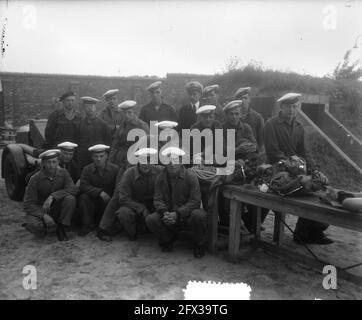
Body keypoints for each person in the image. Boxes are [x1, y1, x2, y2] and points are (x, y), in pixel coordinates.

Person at [264, 93, 332, 244]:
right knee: (305, 185)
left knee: (321, 187)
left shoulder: (299, 127)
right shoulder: (271, 124)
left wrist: (314, 170)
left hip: (298, 170)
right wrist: (292, 163)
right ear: (281, 107)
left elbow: (306, 152)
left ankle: (307, 231)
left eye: (295, 106)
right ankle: (304, 232)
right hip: (279, 171)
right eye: (289, 106)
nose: (292, 110)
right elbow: (273, 153)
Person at [146, 147, 207, 258]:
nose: (172, 164)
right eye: (169, 161)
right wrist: (164, 213)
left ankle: (199, 244)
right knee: (151, 219)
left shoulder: (191, 176)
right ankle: (168, 239)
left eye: (176, 161)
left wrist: (178, 214)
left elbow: (195, 201)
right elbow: (157, 199)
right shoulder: (160, 178)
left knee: (199, 215)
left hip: (186, 216)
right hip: (168, 215)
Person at [23, 149, 78, 241]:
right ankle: (46, 225)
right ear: (43, 163)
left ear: (58, 162)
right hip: (41, 208)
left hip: (57, 207)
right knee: (37, 228)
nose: (51, 165)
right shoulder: (35, 179)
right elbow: (28, 204)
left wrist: (53, 196)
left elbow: (73, 189)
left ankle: (61, 227)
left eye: (54, 162)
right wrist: (44, 215)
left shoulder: (63, 173)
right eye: (48, 162)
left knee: (70, 199)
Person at [115, 148, 162, 241]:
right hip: (134, 204)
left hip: (153, 204)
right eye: (143, 160)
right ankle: (132, 233)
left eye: (148, 160)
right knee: (123, 213)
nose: (145, 164)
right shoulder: (129, 174)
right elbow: (123, 198)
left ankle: (156, 232)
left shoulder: (160, 171)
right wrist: (141, 208)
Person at [78, 144, 119, 236]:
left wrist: (110, 197)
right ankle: (88, 225)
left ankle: (110, 225)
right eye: (96, 156)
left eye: (101, 156)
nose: (99, 159)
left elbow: (118, 187)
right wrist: (99, 192)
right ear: (92, 157)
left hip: (108, 201)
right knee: (83, 197)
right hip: (93, 201)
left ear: (106, 156)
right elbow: (83, 186)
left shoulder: (115, 169)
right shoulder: (87, 169)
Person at [109, 100, 149, 169]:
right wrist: (110, 162)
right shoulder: (122, 126)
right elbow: (115, 146)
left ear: (134, 112)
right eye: (124, 113)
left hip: (135, 162)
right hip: (120, 161)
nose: (126, 115)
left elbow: (147, 147)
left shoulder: (142, 126)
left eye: (129, 112)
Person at [77, 96, 112, 171]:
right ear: (84, 108)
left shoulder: (103, 125)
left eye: (92, 106)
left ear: (95, 108)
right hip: (83, 158)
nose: (90, 108)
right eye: (87, 106)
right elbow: (77, 141)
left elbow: (108, 143)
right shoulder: (79, 124)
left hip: (98, 158)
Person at [233, 87, 265, 151]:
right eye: (240, 98)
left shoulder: (257, 117)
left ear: (249, 100)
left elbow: (261, 140)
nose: (242, 101)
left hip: (252, 154)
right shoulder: (231, 117)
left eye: (245, 98)